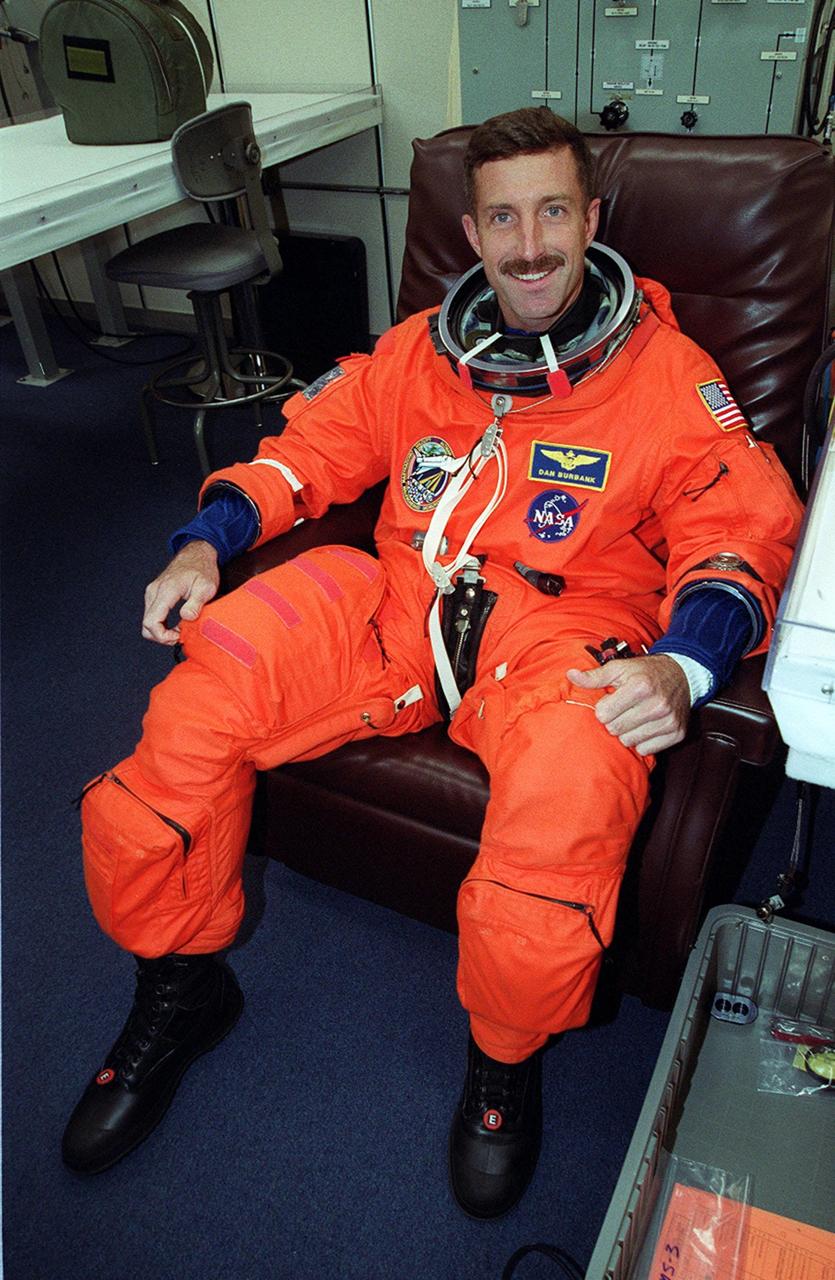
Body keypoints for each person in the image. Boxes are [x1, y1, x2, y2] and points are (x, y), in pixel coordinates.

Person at [63, 108, 802, 1218]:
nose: (531, 244)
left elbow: (740, 529)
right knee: (198, 701)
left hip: (563, 638)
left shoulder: (667, 376)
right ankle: (181, 985)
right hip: (396, 602)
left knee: (562, 811)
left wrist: (682, 667)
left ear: (590, 219)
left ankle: (503, 1062)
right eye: (503, 217)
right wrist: (205, 544)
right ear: (473, 231)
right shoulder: (421, 353)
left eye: (553, 210)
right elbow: (310, 449)